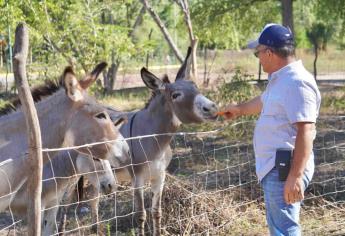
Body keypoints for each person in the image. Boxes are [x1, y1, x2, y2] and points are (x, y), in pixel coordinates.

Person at [222, 23, 321, 235]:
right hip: (278, 167)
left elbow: (306, 130)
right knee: (279, 226)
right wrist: (239, 109)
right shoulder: (281, 79)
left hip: (285, 168)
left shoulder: (297, 83)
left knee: (284, 229)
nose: (258, 58)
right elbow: (264, 101)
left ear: (269, 52)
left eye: (257, 53)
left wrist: (295, 176)